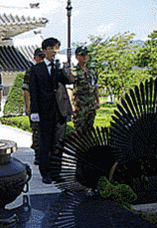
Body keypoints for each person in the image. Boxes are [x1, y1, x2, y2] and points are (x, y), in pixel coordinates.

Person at [29, 38, 74, 184]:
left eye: (56, 48)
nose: (54, 51)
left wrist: (64, 67)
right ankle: (46, 172)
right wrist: (34, 111)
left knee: (59, 143)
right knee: (45, 143)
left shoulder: (59, 67)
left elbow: (70, 80)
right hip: (44, 111)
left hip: (60, 111)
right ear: (44, 50)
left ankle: (57, 172)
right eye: (51, 48)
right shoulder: (36, 69)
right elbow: (33, 92)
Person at [22, 48, 45, 165]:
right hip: (36, 106)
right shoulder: (31, 72)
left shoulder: (49, 70)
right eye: (39, 57)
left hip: (47, 107)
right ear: (34, 58)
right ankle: (37, 154)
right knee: (36, 131)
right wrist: (27, 107)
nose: (41, 59)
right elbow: (26, 90)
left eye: (43, 57)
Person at [71, 46, 100, 135]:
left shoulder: (92, 70)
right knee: (79, 129)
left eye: (86, 54)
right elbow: (70, 88)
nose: (85, 57)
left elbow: (95, 86)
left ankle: (88, 148)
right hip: (79, 105)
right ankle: (77, 148)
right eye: (82, 55)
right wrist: (71, 104)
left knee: (89, 129)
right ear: (77, 57)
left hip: (91, 104)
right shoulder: (73, 71)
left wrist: (97, 101)